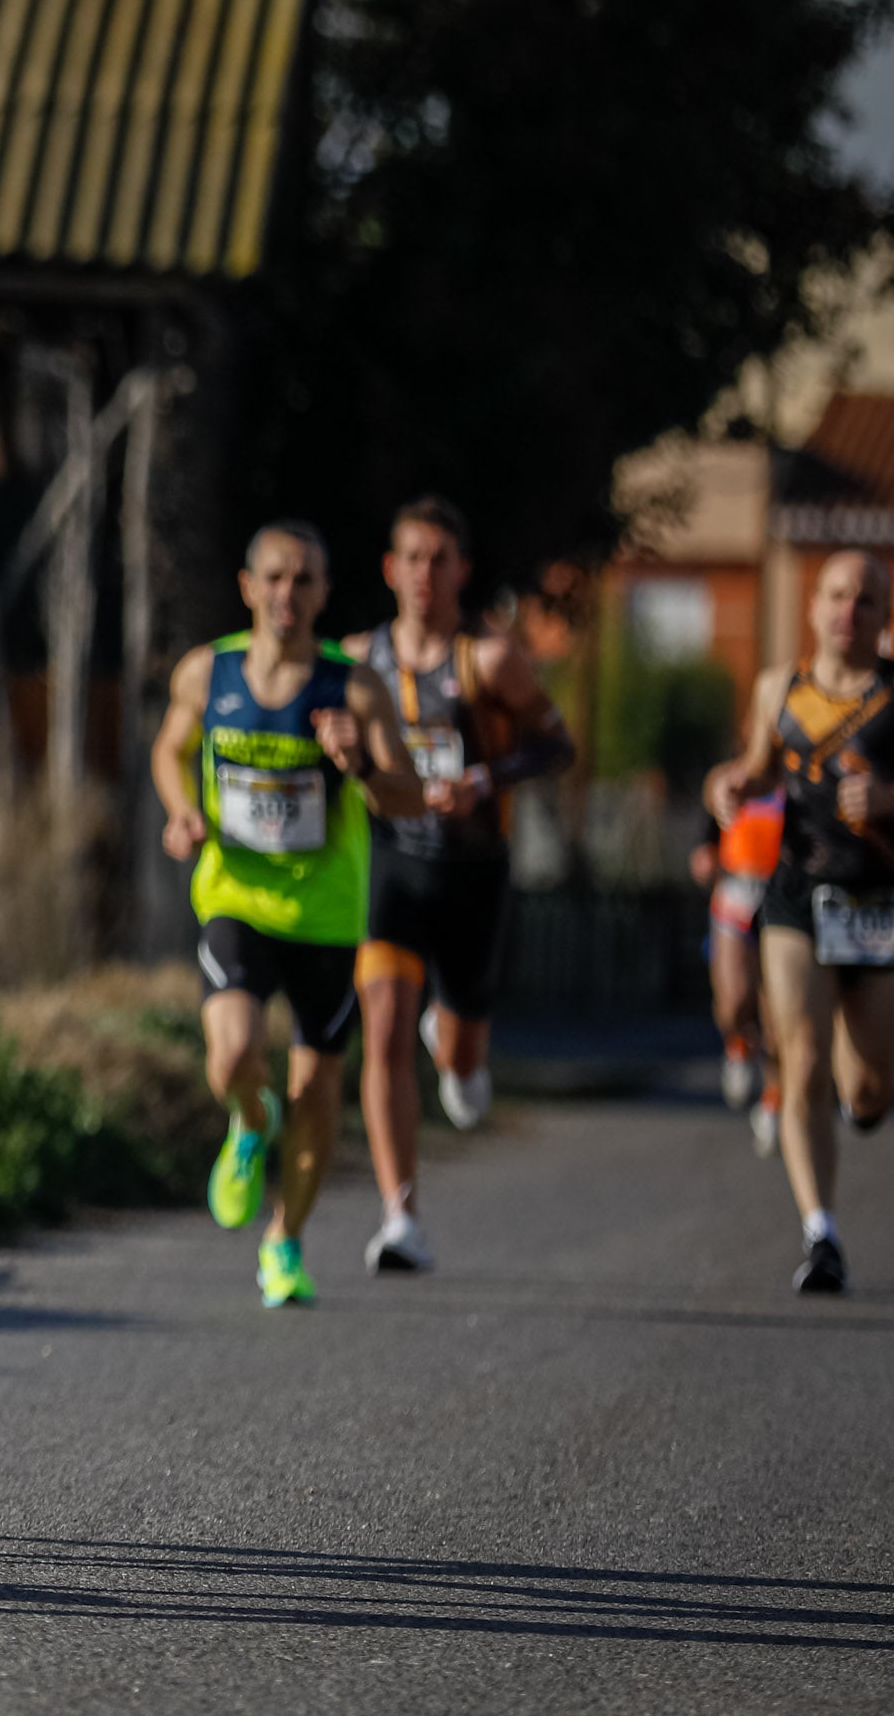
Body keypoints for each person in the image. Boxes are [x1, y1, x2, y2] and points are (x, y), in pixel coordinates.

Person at [152, 522, 425, 1308]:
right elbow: (170, 749)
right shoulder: (210, 672)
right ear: (248, 586)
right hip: (235, 896)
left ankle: (285, 1243)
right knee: (233, 1054)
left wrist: (360, 761)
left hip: (327, 918)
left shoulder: (355, 685)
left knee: (316, 1091)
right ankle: (247, 1119)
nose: (287, 594)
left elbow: (407, 795)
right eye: (274, 577)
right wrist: (182, 812)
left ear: (323, 594)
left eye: (304, 580)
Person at [704, 551, 894, 1294]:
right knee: (801, 1053)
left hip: (883, 902)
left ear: (886, 617)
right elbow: (758, 765)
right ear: (813, 607)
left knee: (869, 1092)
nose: (850, 611)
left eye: (867, 600)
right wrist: (731, 784)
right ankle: (821, 1232)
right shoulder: (778, 686)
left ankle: (859, 1094)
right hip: (797, 896)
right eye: (838, 596)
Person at [340, 499, 573, 1273]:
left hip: (472, 868)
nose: (424, 573)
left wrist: (486, 776)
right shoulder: (355, 659)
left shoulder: (489, 660)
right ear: (388, 568)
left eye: (439, 558)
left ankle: (461, 1048)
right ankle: (400, 1213)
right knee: (381, 1026)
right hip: (391, 864)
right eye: (411, 557)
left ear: (461, 570)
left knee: (464, 1063)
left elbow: (557, 745)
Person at [696, 794, 784, 1153]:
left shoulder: (801, 772)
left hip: (782, 897)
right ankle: (739, 1044)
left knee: (778, 1020)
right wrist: (704, 852)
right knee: (734, 1002)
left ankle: (773, 1101)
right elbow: (709, 826)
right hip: (736, 891)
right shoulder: (732, 779)